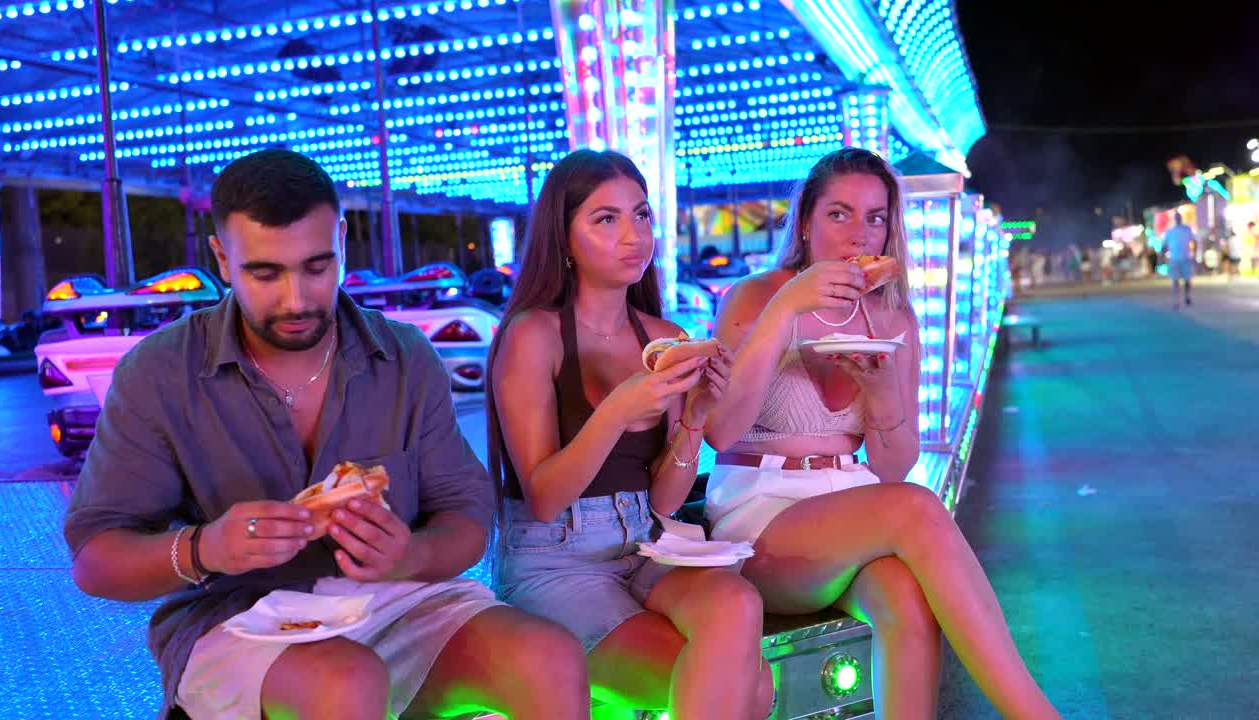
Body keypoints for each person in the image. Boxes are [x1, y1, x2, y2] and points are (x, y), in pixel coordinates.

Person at [63, 149, 591, 720]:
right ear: (221, 256)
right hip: (234, 616)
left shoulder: (404, 357)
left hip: (397, 598)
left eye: (317, 267)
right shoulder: (160, 371)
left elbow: (466, 518)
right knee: (344, 682)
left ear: (341, 238)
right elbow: (95, 561)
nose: (296, 299)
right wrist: (206, 547)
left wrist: (408, 553)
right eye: (265, 273)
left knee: (550, 656)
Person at [703, 148, 1061, 719]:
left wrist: (884, 395)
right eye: (839, 214)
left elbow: (891, 467)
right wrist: (787, 308)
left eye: (875, 218)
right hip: (759, 516)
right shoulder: (753, 297)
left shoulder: (894, 319)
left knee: (905, 598)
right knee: (918, 509)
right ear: (805, 223)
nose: (858, 235)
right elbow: (720, 431)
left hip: (849, 507)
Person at [488, 149, 774, 719]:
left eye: (641, 215)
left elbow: (666, 499)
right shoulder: (532, 336)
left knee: (737, 603)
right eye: (606, 219)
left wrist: (695, 414)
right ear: (564, 239)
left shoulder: (664, 334)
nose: (633, 235)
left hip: (645, 538)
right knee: (745, 690)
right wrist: (618, 409)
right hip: (555, 557)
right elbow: (544, 497)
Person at [1163, 212, 1196, 308]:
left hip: (1185, 257)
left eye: (1179, 217)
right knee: (1175, 280)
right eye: (1176, 217)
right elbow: (1164, 246)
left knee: (1187, 279)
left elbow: (1194, 241)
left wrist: (1194, 254)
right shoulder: (1170, 231)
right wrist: (1161, 258)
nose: (1178, 219)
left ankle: (1187, 296)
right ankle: (1176, 300)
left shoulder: (1187, 229)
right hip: (1174, 258)